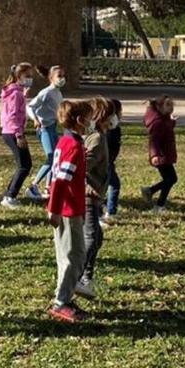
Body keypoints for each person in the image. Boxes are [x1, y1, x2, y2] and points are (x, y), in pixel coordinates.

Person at [45, 99, 93, 323]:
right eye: (89, 118)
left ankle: (65, 296)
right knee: (73, 257)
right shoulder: (73, 147)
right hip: (67, 210)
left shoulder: (66, 141)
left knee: (71, 255)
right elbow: (61, 181)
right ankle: (61, 301)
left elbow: (53, 176)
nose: (91, 122)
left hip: (71, 207)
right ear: (79, 120)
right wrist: (54, 209)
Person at [77, 97, 112, 299]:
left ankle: (87, 276)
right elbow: (83, 165)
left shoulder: (99, 136)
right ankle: (78, 277)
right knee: (90, 237)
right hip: (88, 195)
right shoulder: (96, 139)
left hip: (95, 194)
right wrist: (87, 186)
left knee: (97, 237)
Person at [0, 63, 36, 208]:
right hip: (13, 132)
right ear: (18, 76)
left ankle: (9, 193)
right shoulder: (15, 94)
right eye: (27, 76)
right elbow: (12, 115)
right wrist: (19, 135)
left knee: (23, 164)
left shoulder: (14, 92)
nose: (30, 79)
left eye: (31, 76)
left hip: (9, 131)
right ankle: (9, 196)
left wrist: (24, 96)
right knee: (25, 165)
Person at [27, 65, 66, 199]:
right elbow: (30, 106)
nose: (62, 79)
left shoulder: (58, 93)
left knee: (56, 158)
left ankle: (48, 187)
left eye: (63, 76)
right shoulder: (46, 92)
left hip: (53, 127)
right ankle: (33, 186)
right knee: (51, 158)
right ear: (51, 78)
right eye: (59, 76)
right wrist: (36, 119)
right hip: (44, 128)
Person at [141, 95, 178, 213]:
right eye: (168, 105)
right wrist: (154, 155)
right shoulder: (158, 122)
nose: (171, 108)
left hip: (165, 155)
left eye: (172, 105)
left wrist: (172, 122)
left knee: (170, 179)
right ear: (159, 106)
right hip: (161, 156)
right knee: (171, 178)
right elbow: (154, 140)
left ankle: (150, 191)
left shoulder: (164, 119)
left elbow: (166, 129)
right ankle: (159, 205)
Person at [102, 98, 123, 225]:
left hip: (109, 161)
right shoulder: (109, 128)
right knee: (110, 186)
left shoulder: (113, 128)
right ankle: (108, 211)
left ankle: (109, 210)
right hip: (105, 162)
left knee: (111, 185)